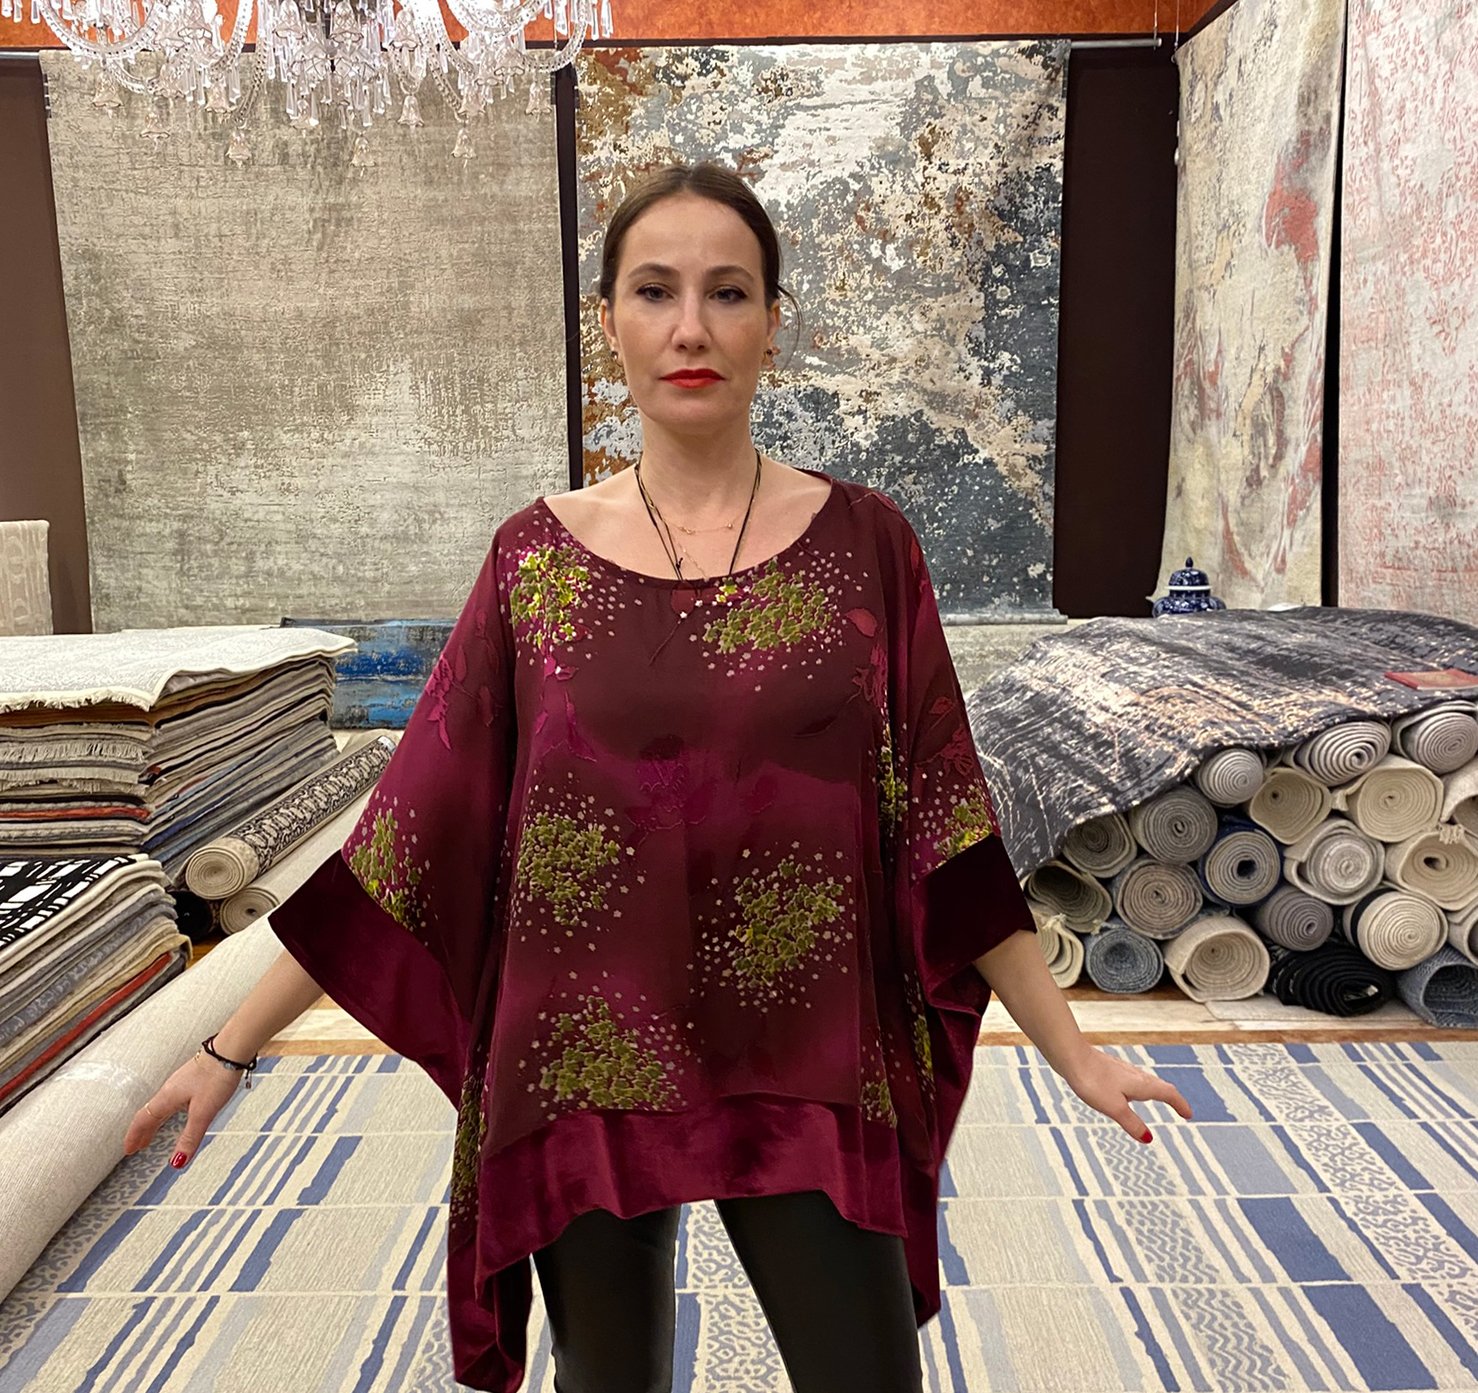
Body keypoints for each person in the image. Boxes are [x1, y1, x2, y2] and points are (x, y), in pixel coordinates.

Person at [123, 162, 1193, 1393]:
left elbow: (946, 828)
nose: (691, 327)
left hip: (807, 1056)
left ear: (772, 324)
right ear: (610, 323)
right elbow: (413, 832)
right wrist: (230, 1045)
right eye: (654, 291)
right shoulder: (533, 561)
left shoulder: (867, 545)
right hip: (581, 1059)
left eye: (727, 292)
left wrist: (1071, 1050)